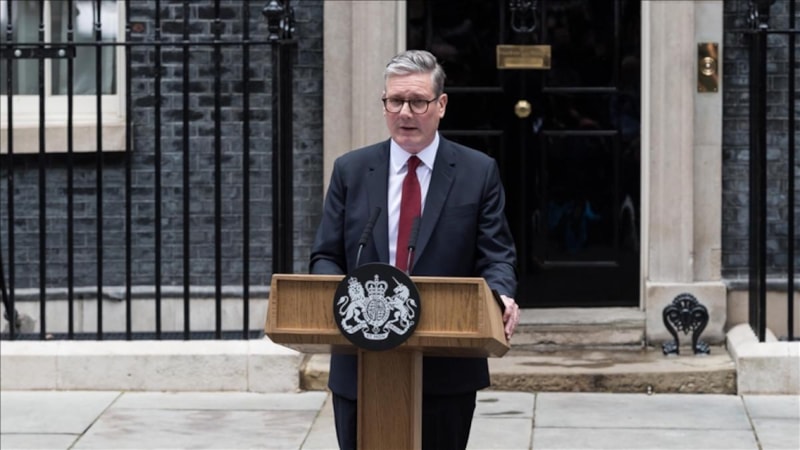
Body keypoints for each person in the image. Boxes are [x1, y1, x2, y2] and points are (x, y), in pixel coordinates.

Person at [309, 49, 521, 450]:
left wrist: (500, 295)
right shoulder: (351, 170)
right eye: (395, 101)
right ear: (384, 103)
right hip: (361, 363)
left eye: (418, 102)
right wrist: (331, 296)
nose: (405, 112)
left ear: (441, 105)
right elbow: (325, 256)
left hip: (446, 367)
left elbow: (496, 255)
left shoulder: (477, 172)